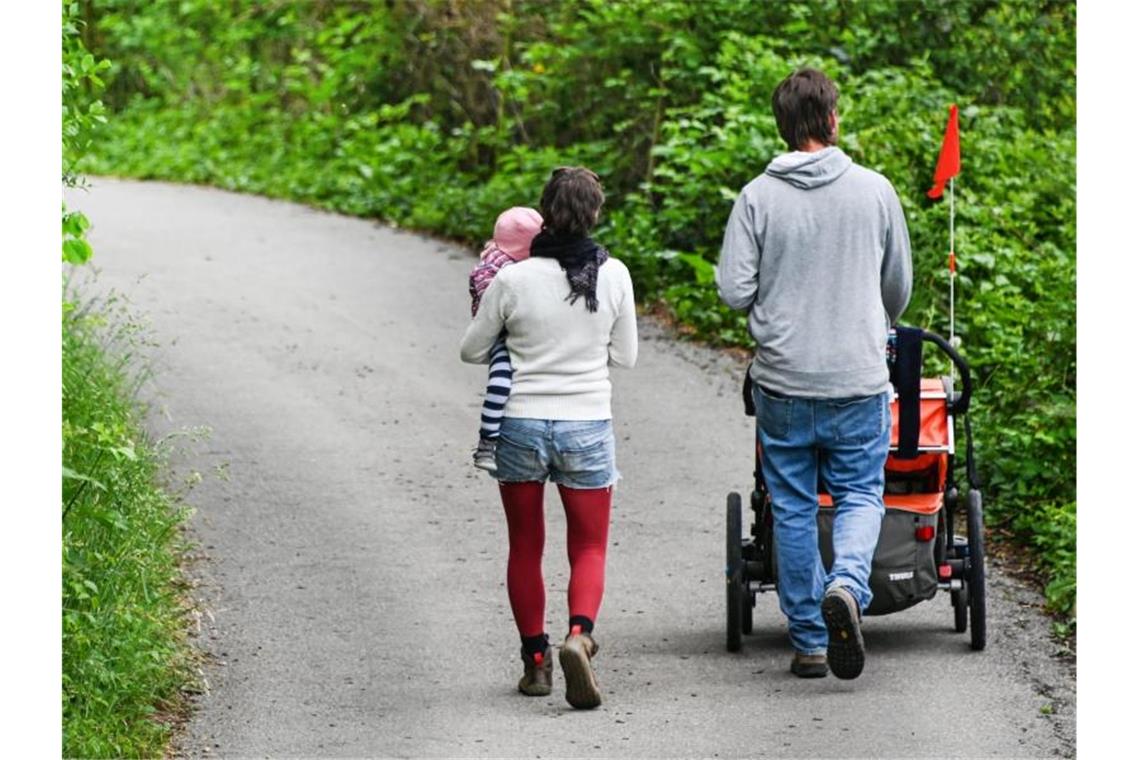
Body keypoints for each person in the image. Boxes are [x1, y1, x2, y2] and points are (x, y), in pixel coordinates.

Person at [715, 68, 912, 680]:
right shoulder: (875, 190)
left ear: (782, 125)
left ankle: (808, 642)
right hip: (857, 377)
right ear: (832, 119)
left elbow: (732, 290)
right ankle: (849, 588)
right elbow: (897, 290)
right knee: (859, 493)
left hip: (784, 379)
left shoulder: (756, 197)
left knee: (794, 505)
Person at [460, 166, 637, 709]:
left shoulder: (513, 280)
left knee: (525, 545)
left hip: (520, 422)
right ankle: (579, 636)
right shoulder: (614, 276)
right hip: (586, 422)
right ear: (595, 215)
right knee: (587, 545)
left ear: (545, 210)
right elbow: (625, 356)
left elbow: (471, 349)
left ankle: (535, 664)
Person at [467, 206, 544, 473]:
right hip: (501, 334)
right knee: (500, 382)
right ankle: (487, 442)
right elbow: (490, 302)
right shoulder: (494, 266)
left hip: (524, 331)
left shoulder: (527, 263)